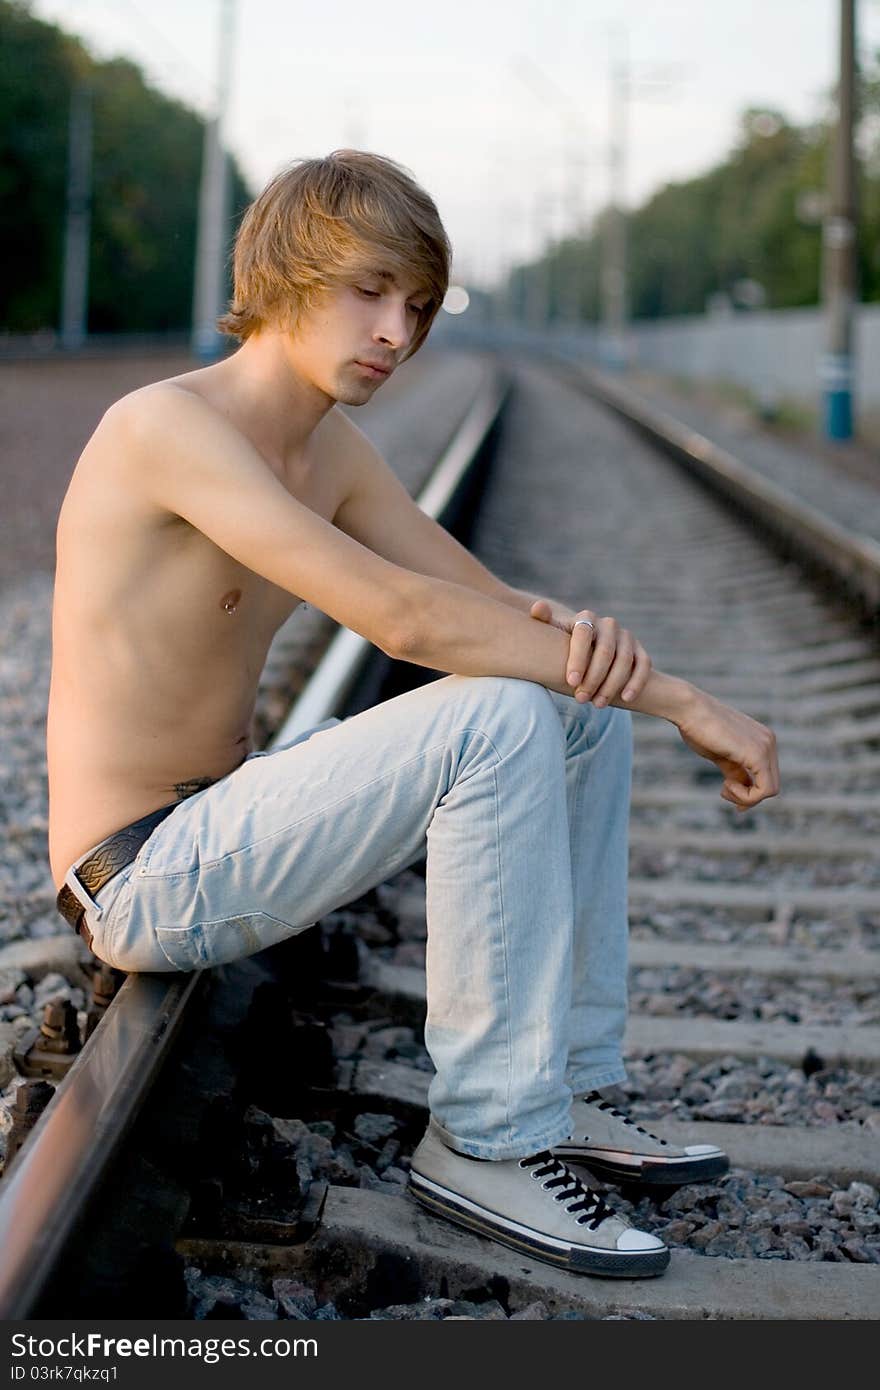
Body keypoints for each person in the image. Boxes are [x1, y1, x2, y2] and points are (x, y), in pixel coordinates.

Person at [48, 150, 780, 1280]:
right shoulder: (167, 428)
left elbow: (478, 599)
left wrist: (595, 651)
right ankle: (483, 1138)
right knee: (495, 713)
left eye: (420, 307)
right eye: (370, 291)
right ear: (289, 273)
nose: (398, 329)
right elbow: (400, 615)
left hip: (228, 821)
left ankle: (562, 1087)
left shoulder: (327, 449)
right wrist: (687, 701)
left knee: (572, 709)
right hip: (141, 869)